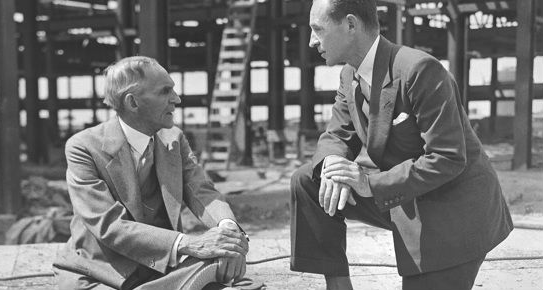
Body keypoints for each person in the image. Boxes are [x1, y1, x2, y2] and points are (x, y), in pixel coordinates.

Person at [290, 1, 513, 289]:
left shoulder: (419, 69)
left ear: (350, 25)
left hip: (452, 214)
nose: (311, 41)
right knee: (309, 179)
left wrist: (370, 183)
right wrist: (332, 161)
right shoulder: (350, 76)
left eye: (317, 29)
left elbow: (448, 158)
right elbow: (336, 136)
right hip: (406, 195)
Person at [53, 56, 262, 290]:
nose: (177, 98)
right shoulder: (83, 147)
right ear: (133, 103)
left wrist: (228, 231)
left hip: (161, 264)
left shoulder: (174, 139)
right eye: (165, 91)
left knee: (220, 261)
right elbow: (109, 225)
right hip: (103, 268)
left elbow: (201, 191)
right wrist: (189, 244)